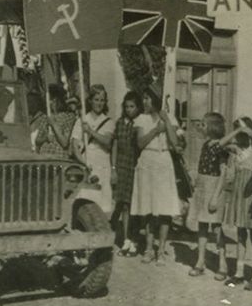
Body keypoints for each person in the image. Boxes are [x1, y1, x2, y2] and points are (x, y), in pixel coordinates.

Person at [130, 85, 181, 266]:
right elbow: (140, 143)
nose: (144, 102)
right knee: (148, 206)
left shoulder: (168, 117)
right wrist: (156, 131)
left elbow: (175, 144)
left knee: (164, 208)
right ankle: (149, 249)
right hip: (147, 161)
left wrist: (166, 122)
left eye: (147, 98)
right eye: (143, 98)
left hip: (164, 161)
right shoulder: (141, 119)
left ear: (155, 99)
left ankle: (161, 250)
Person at [219, 117, 252, 291]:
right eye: (238, 131)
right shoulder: (236, 148)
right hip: (239, 191)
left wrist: (249, 132)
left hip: (251, 192)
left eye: (243, 130)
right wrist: (237, 130)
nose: (241, 135)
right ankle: (239, 272)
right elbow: (221, 144)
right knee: (240, 233)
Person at [187, 112, 229, 279]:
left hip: (214, 188)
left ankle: (223, 263)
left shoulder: (221, 147)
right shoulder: (206, 145)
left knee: (217, 228)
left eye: (204, 125)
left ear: (212, 128)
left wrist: (214, 197)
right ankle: (200, 261)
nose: (201, 127)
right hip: (203, 187)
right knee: (202, 226)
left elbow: (223, 173)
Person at [71, 85, 114, 213]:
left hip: (103, 166)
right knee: (86, 204)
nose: (99, 103)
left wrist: (90, 131)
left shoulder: (108, 122)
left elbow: (107, 142)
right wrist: (84, 163)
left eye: (102, 100)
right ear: (90, 101)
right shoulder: (82, 121)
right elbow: (75, 146)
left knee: (103, 206)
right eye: (96, 99)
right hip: (87, 166)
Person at [111, 91, 143, 257]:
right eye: (127, 106)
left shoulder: (139, 123)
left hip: (136, 166)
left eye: (133, 106)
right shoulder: (119, 123)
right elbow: (115, 146)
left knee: (135, 206)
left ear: (138, 108)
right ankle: (125, 239)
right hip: (122, 166)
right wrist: (114, 169)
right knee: (123, 204)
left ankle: (134, 240)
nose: (129, 109)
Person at [37, 84, 76, 158]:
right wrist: (45, 138)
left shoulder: (69, 116)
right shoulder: (45, 117)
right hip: (44, 156)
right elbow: (37, 141)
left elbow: (64, 143)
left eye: (51, 99)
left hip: (59, 156)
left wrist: (53, 124)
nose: (49, 102)